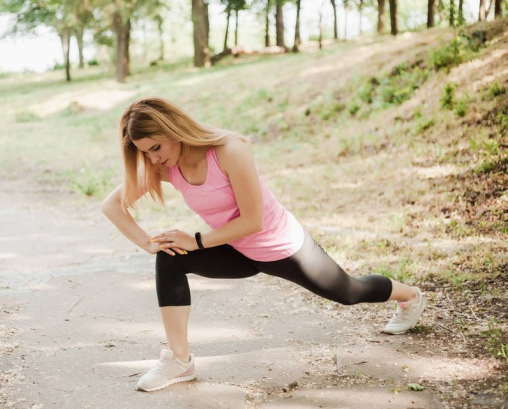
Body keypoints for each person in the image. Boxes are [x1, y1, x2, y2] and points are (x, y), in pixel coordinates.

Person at [101, 96, 426, 393]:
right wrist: (148, 243)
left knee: (349, 293)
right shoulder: (168, 169)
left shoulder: (228, 150)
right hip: (236, 250)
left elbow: (253, 221)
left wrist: (196, 241)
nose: (153, 159)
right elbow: (112, 205)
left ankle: (409, 296)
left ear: (174, 130)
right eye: (145, 153)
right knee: (169, 257)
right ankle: (179, 360)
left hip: (283, 247)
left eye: (156, 148)